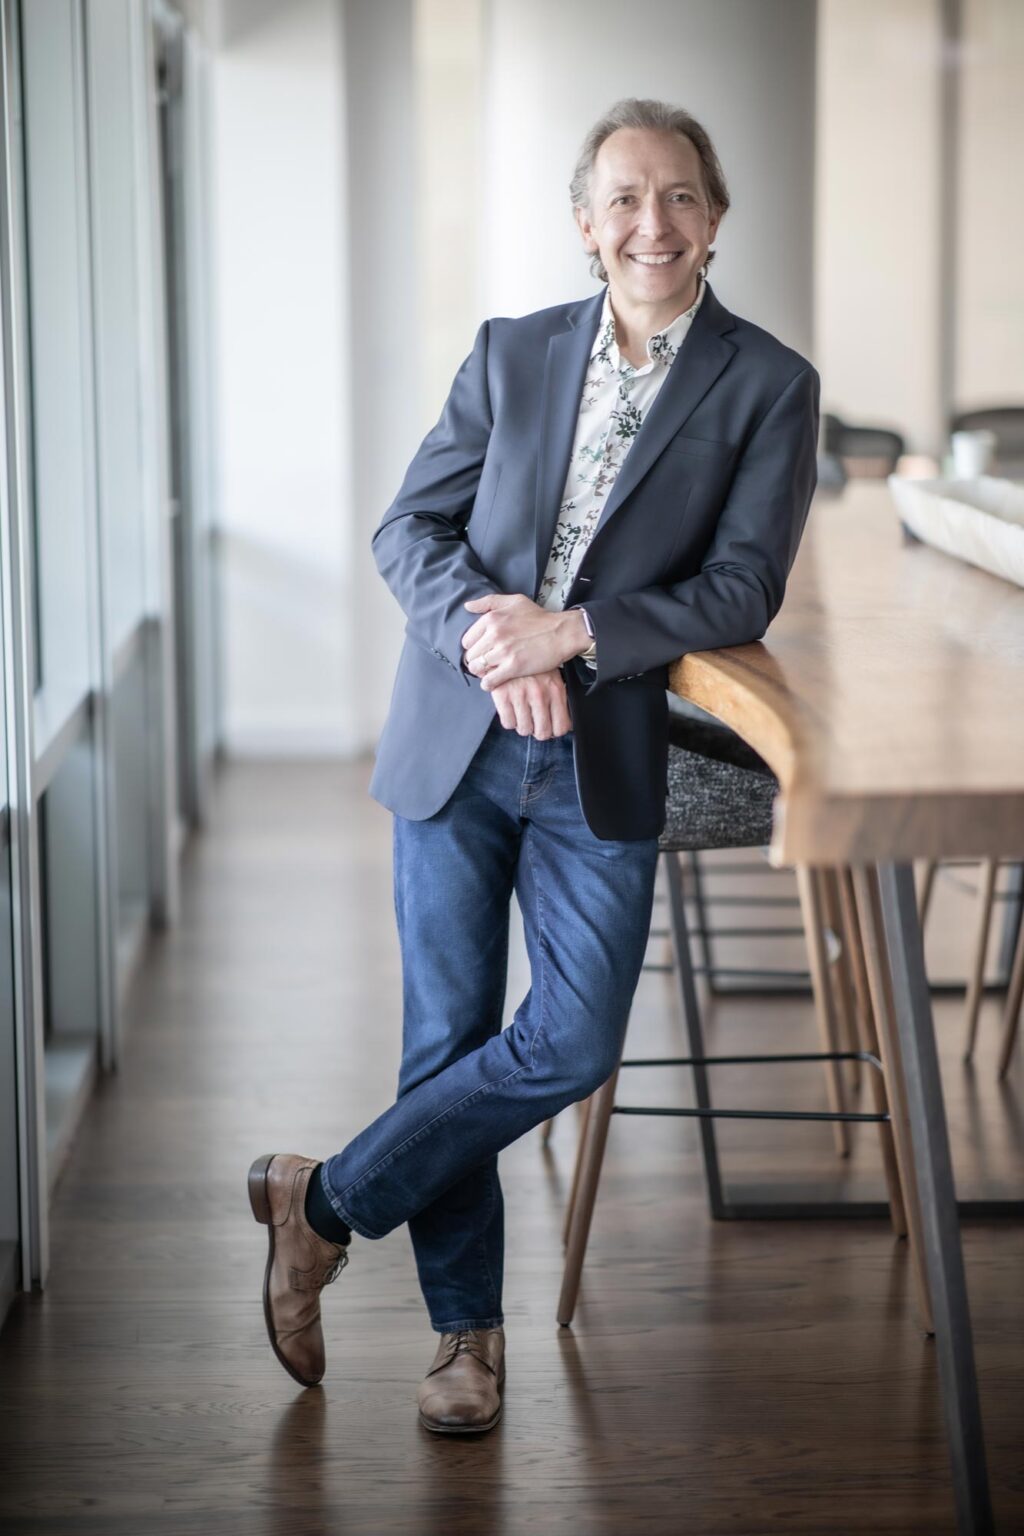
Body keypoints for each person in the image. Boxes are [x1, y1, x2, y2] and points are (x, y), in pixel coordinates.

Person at [248, 97, 820, 1434]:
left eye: (678, 196)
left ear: (716, 220)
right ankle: (467, 1344)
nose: (652, 223)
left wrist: (576, 636)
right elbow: (411, 527)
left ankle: (316, 1202)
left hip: (601, 759)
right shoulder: (510, 354)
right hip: (457, 743)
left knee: (566, 1041)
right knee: (445, 1041)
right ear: (584, 225)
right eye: (624, 198)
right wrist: (488, 644)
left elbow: (743, 586)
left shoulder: (769, 385)